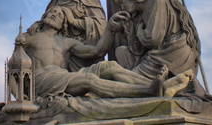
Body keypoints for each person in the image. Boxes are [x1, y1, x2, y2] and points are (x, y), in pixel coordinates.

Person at [24, 6, 192, 99]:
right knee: (89, 80)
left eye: (59, 14)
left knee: (108, 66)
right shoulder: (29, 37)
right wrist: (20, 97)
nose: (54, 14)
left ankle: (159, 86)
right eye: (51, 12)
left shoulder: (67, 42)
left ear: (64, 23)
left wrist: (110, 28)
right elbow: (14, 67)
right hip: (41, 81)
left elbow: (97, 51)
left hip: (61, 76)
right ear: (43, 16)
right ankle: (149, 91)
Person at [110, 0, 202, 94]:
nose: (121, 7)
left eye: (121, 2)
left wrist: (139, 31)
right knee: (122, 53)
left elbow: (153, 40)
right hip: (162, 52)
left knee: (127, 80)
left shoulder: (157, 1)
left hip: (172, 53)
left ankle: (160, 87)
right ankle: (163, 86)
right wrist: (127, 27)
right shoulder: (141, 14)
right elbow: (137, 49)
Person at [30, 0, 107, 71]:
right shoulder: (53, 3)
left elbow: (101, 24)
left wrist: (74, 22)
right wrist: (38, 24)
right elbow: (47, 21)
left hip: (85, 49)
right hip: (63, 53)